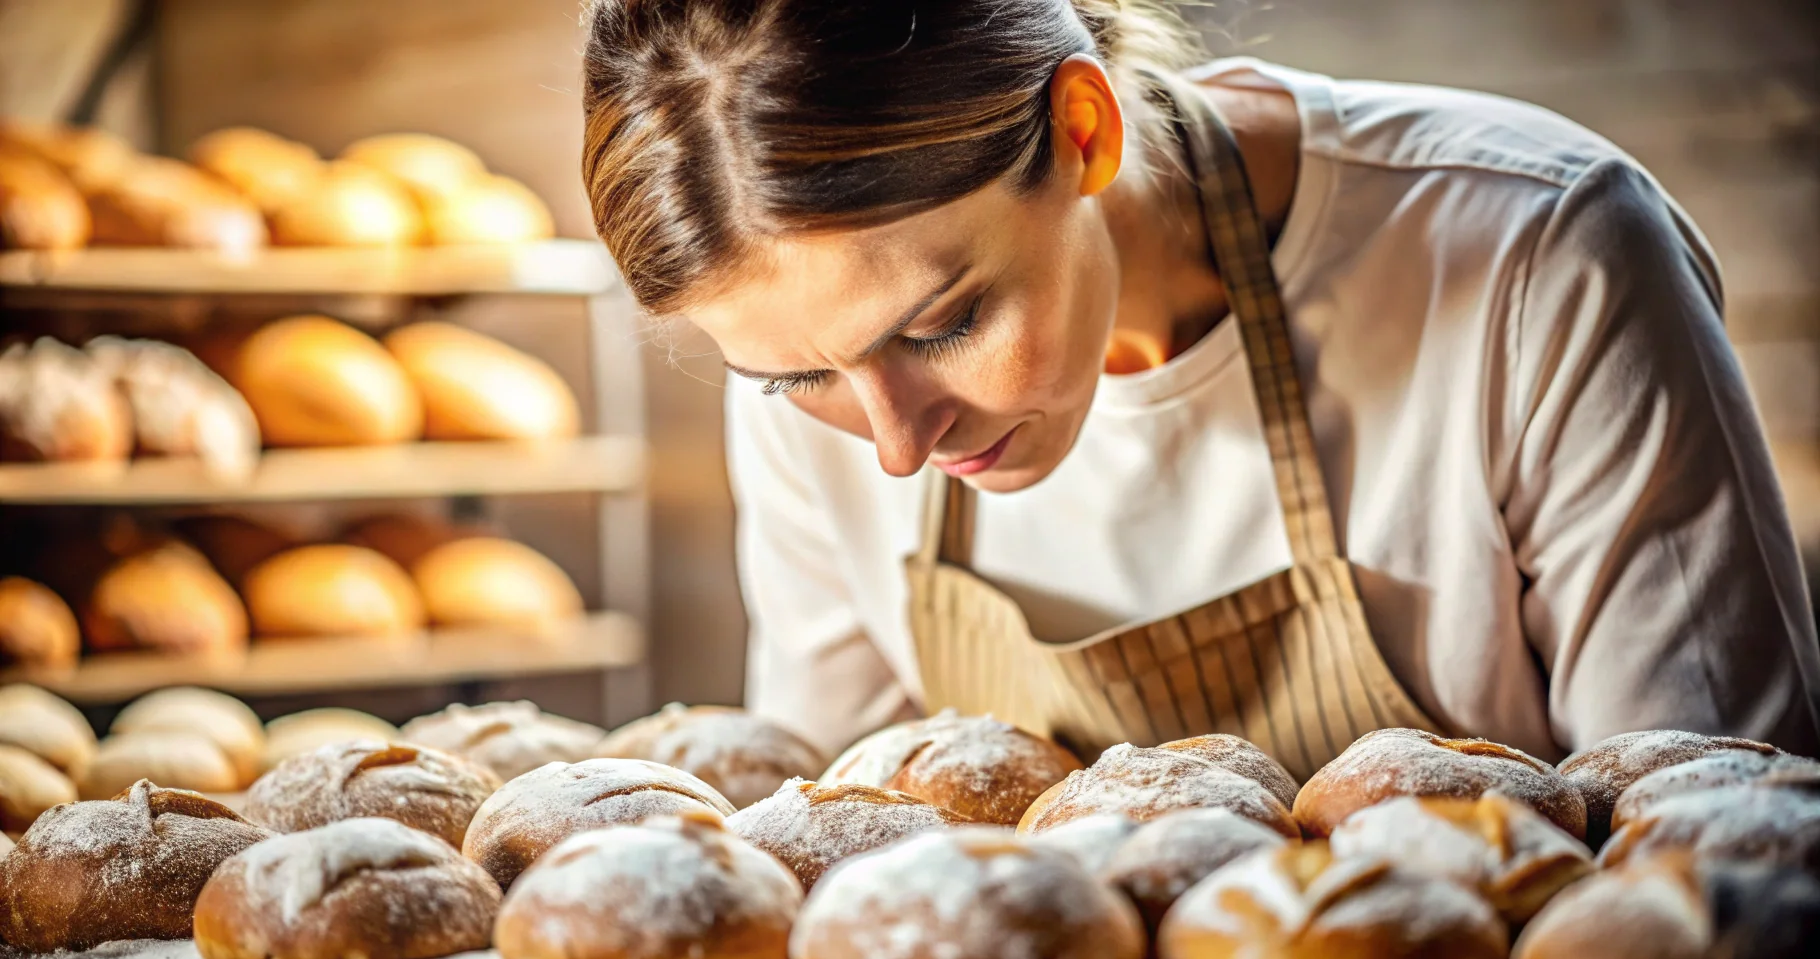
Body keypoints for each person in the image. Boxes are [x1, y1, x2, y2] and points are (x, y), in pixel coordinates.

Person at [579, 0, 1820, 770]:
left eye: (946, 323)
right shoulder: (835, 380)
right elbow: (836, 837)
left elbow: (1711, 852)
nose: (893, 446)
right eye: (798, 375)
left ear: (1083, 130)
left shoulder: (1534, 254)